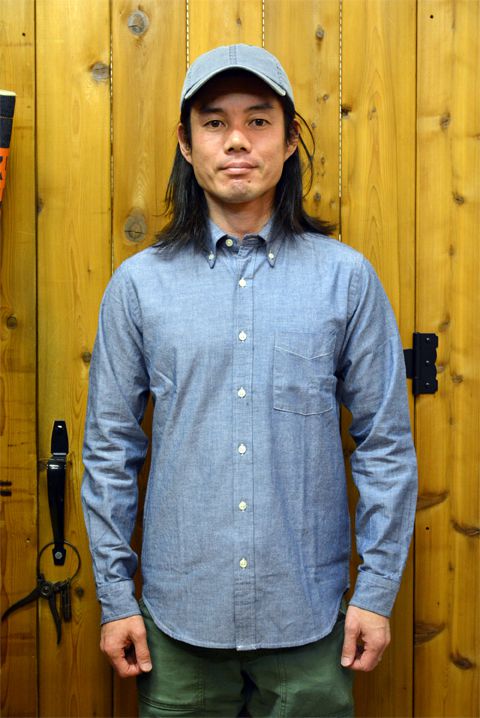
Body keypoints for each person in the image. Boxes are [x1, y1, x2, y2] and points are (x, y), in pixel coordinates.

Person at [81, 44, 418, 717]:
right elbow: (110, 451)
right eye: (214, 122)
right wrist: (115, 598)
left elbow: (385, 445)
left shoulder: (346, 280)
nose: (236, 140)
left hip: (311, 619)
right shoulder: (138, 287)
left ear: (290, 141)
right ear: (186, 144)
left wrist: (376, 591)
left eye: (258, 121)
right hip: (178, 621)